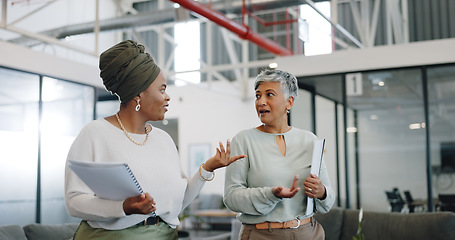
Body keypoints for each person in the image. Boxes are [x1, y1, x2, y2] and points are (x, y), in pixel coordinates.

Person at [64, 40, 246, 240]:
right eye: (162, 89)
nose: (168, 97)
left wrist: (207, 168)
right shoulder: (95, 134)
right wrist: (123, 207)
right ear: (139, 94)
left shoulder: (164, 140)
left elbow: (177, 203)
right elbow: (74, 201)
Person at [223, 69, 335, 240]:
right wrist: (271, 194)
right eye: (258, 95)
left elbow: (328, 200)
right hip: (261, 235)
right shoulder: (243, 140)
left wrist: (322, 192)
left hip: (308, 232)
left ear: (289, 102)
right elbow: (231, 198)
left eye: (269, 95)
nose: (261, 102)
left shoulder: (309, 139)